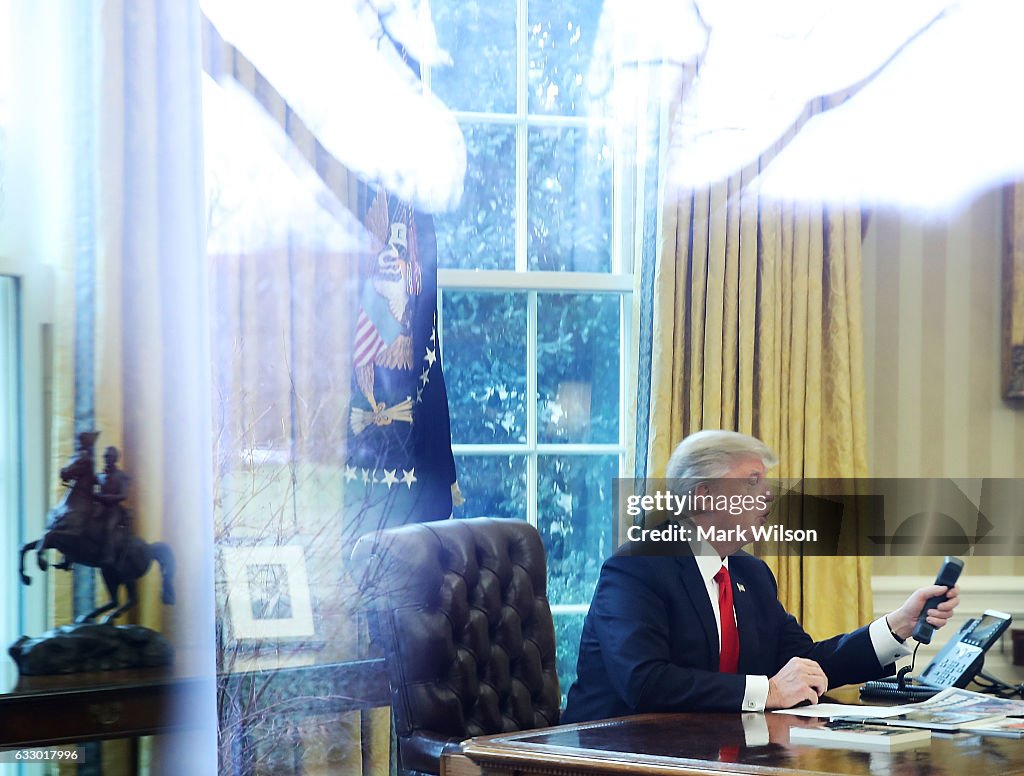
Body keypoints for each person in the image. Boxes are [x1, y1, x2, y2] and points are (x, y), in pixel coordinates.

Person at [562, 430, 960, 722]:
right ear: (703, 495)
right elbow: (645, 682)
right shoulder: (638, 566)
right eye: (752, 481)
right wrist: (768, 691)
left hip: (710, 751)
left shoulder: (751, 573)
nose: (768, 494)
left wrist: (896, 626)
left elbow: (809, 666)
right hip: (613, 751)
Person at [94, 446, 131, 565]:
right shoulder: (99, 476)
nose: (106, 459)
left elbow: (123, 495)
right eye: (105, 456)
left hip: (114, 509)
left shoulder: (122, 476)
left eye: (109, 456)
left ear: (115, 458)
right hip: (100, 507)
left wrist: (105, 497)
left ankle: (109, 555)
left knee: (109, 527)